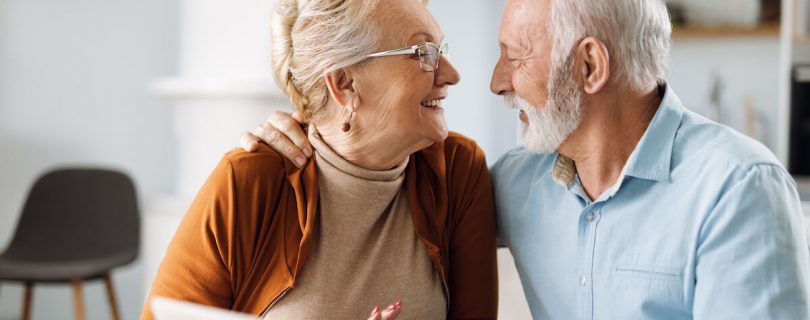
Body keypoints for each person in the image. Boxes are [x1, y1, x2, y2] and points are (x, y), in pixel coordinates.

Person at [243, 0, 810, 318]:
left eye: (515, 58)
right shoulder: (517, 182)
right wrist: (307, 136)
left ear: (589, 67)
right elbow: (394, 196)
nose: (493, 82)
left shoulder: (737, 191)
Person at [142, 0, 498, 319]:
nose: (451, 74)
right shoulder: (247, 182)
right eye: (423, 52)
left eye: (440, 49)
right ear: (344, 82)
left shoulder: (458, 171)